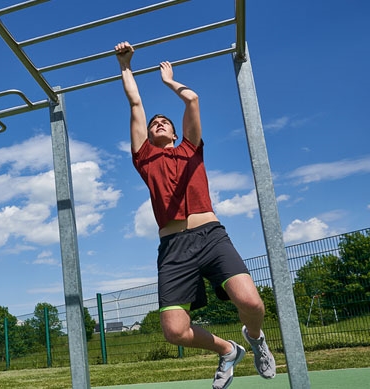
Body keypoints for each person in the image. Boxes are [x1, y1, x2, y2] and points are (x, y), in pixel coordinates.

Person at [114, 41, 276, 388]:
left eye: (164, 122)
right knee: (175, 331)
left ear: (175, 133)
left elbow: (193, 100)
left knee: (251, 303)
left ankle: (254, 336)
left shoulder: (191, 149)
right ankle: (228, 350)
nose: (158, 123)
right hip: (173, 248)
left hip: (211, 236)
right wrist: (126, 66)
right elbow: (136, 103)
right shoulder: (144, 158)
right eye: (154, 123)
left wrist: (170, 82)